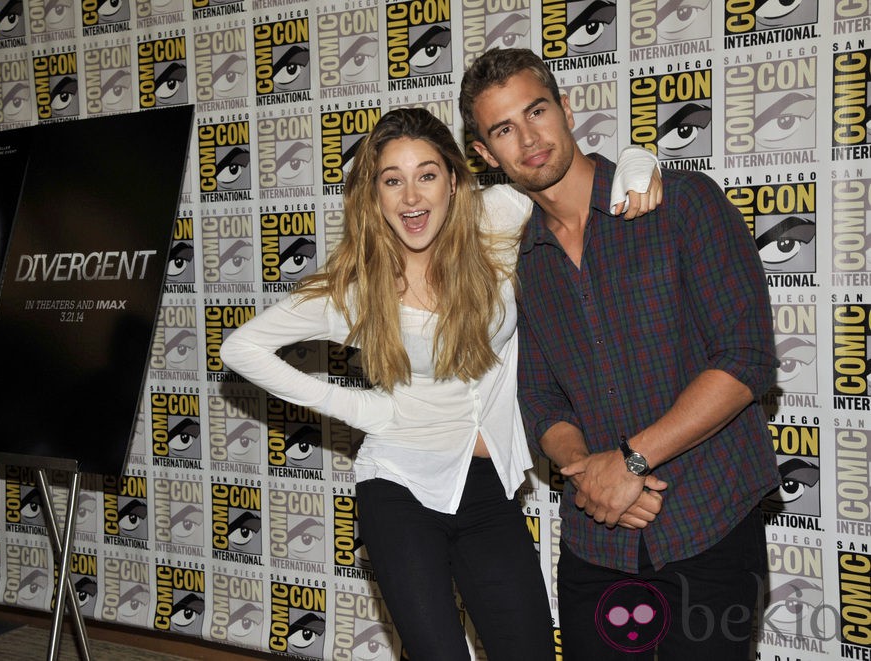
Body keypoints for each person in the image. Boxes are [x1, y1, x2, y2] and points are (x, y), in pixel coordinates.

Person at [220, 107, 659, 660]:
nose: (411, 197)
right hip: (400, 483)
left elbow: (569, 182)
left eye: (426, 174)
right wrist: (365, 412)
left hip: (490, 487)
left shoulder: (496, 221)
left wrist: (639, 165)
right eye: (392, 180)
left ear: (453, 181)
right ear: (373, 195)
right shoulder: (355, 290)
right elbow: (241, 347)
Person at [459, 48, 779, 660]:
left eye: (537, 111)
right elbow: (540, 398)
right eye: (503, 129)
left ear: (566, 109)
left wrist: (629, 464)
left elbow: (746, 359)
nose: (528, 138)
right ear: (484, 154)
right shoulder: (516, 262)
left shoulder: (682, 203)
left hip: (709, 520)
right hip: (599, 540)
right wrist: (591, 475)